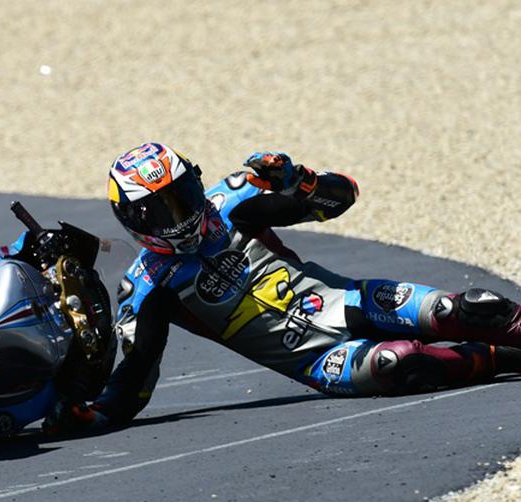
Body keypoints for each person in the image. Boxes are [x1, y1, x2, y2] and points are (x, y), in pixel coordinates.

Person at [92, 142, 521, 425]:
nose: (181, 213)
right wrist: (94, 413)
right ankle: (499, 358)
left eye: (183, 194)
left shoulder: (232, 202)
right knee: (401, 361)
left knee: (471, 308)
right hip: (320, 359)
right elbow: (135, 374)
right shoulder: (146, 287)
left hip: (351, 299)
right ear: (133, 220)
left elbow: (344, 196)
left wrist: (300, 180)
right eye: (162, 209)